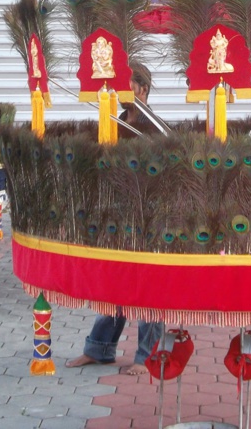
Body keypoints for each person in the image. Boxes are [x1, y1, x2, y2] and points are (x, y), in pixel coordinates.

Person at [66, 63, 163, 374]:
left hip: (148, 216)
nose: (120, 90)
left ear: (142, 89)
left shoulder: (156, 128)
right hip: (115, 213)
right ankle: (100, 349)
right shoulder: (114, 121)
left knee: (148, 287)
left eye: (127, 83)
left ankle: (148, 357)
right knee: (113, 280)